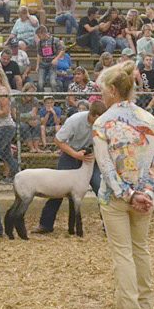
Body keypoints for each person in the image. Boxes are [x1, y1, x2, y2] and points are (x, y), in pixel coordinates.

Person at [92, 61, 154, 309]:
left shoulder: (103, 123)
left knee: (122, 254)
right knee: (140, 249)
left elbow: (107, 168)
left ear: (113, 89)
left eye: (102, 89)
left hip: (115, 200)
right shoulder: (151, 120)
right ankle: (145, 303)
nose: (101, 95)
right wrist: (145, 192)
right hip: (144, 198)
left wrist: (128, 194)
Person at [32, 99, 107, 234]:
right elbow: (58, 140)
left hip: (90, 158)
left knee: (100, 187)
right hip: (71, 155)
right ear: (93, 115)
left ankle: (108, 225)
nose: (101, 122)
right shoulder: (75, 120)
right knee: (57, 189)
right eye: (99, 119)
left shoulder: (104, 124)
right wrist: (75, 154)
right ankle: (46, 224)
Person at [35, 25, 65, 92]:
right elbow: (39, 54)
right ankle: (41, 99)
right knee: (40, 83)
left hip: (52, 64)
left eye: (39, 36)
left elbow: (62, 50)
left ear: (44, 33)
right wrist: (37, 65)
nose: (39, 38)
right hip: (43, 64)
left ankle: (56, 100)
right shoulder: (40, 43)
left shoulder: (55, 40)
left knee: (53, 83)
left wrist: (56, 59)